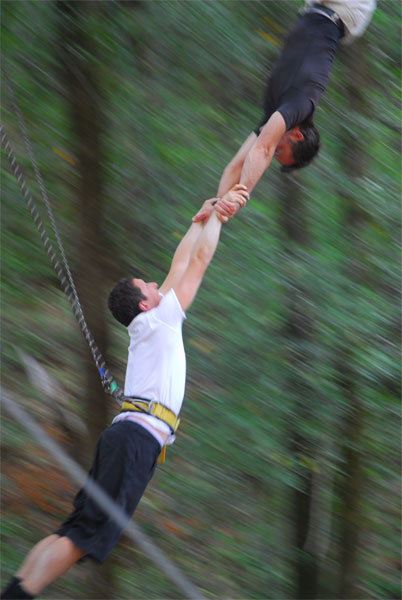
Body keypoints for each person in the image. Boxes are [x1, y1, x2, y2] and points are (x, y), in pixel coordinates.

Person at [1, 185, 249, 600]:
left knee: (73, 530)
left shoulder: (150, 322)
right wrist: (218, 219)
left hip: (127, 438)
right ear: (146, 304)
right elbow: (197, 262)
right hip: (134, 440)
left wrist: (199, 220)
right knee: (80, 537)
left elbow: (180, 263)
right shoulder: (161, 320)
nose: (156, 283)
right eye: (148, 285)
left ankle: (14, 592)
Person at [193, 0, 376, 224]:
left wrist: (217, 205)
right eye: (279, 149)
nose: (273, 149)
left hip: (326, 10)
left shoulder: (274, 114)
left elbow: (237, 165)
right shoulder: (300, 105)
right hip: (348, 8)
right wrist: (239, 200)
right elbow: (263, 149)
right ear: (296, 135)